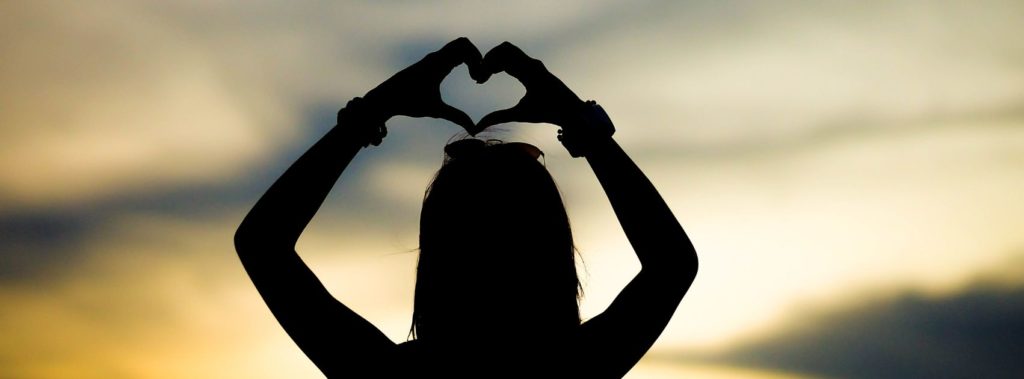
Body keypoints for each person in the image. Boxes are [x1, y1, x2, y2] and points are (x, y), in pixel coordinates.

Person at [234, 38, 698, 378]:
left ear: (438, 258)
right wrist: (584, 127)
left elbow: (262, 244)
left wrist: (372, 112)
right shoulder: (577, 368)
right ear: (551, 251)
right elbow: (672, 264)